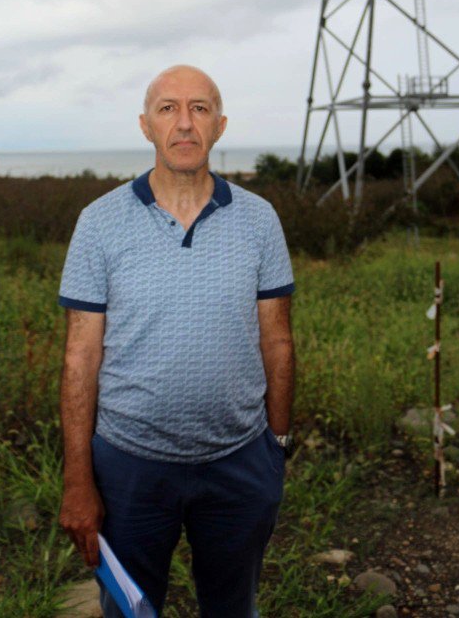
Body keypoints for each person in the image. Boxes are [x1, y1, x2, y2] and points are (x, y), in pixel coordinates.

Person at [57, 65, 296, 618]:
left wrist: (276, 446)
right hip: (128, 468)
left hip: (240, 464)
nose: (184, 123)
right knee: (131, 611)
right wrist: (78, 478)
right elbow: (80, 356)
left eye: (199, 109)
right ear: (146, 126)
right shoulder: (99, 222)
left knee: (233, 607)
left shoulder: (260, 220)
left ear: (220, 125)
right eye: (168, 109)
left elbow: (277, 340)